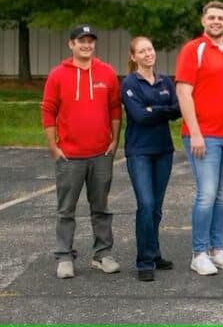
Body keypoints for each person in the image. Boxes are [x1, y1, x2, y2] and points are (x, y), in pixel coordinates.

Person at [175, 1, 223, 276]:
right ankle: (199, 253)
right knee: (206, 195)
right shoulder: (192, 50)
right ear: (203, 21)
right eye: (211, 17)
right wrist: (195, 132)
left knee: (222, 196)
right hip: (203, 136)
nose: (216, 21)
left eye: (221, 17)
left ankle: (216, 249)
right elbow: (184, 92)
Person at [41, 23, 122, 279]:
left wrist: (114, 142)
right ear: (71, 44)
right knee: (66, 209)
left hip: (101, 154)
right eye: (81, 41)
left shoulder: (107, 72)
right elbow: (48, 111)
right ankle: (64, 256)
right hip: (70, 155)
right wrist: (54, 147)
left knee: (101, 207)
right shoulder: (57, 74)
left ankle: (102, 255)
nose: (86, 45)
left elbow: (115, 110)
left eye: (90, 41)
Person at [121, 36, 181, 282]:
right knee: (145, 204)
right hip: (139, 152)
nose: (148, 54)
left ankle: (155, 253)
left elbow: (177, 110)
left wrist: (152, 109)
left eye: (150, 49)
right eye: (142, 51)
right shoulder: (128, 82)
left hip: (163, 150)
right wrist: (160, 111)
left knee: (156, 207)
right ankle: (144, 261)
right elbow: (138, 116)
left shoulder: (165, 80)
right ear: (133, 57)